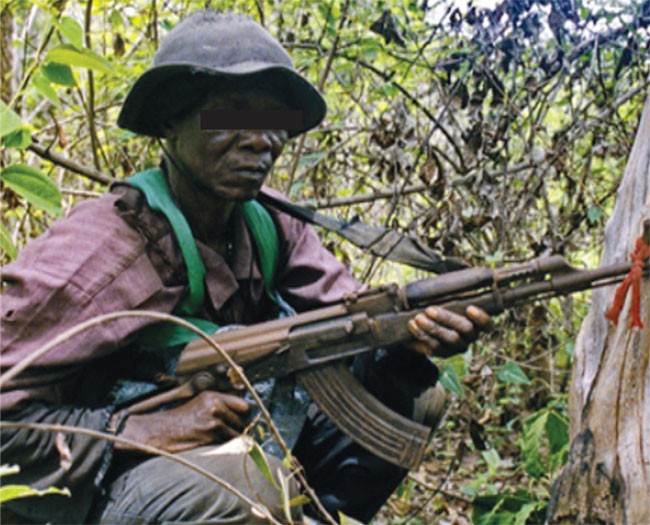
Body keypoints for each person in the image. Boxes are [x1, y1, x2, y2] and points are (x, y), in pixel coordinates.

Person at [0, 10, 491, 525]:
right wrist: (140, 432)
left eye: (275, 122)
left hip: (199, 451)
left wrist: (411, 333)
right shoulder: (100, 252)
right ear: (171, 121)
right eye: (230, 115)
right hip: (74, 487)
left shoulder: (267, 222)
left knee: (409, 391)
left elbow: (349, 312)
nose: (261, 140)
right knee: (245, 488)